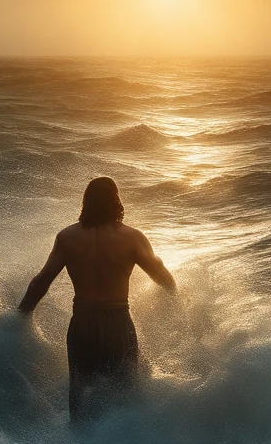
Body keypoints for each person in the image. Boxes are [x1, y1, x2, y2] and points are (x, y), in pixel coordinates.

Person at [18, 177, 176, 419]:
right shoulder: (133, 238)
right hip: (119, 324)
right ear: (117, 202)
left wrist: (20, 317)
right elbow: (162, 277)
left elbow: (41, 282)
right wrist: (179, 301)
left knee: (80, 395)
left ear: (86, 203)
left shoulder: (67, 237)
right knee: (127, 393)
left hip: (83, 324)